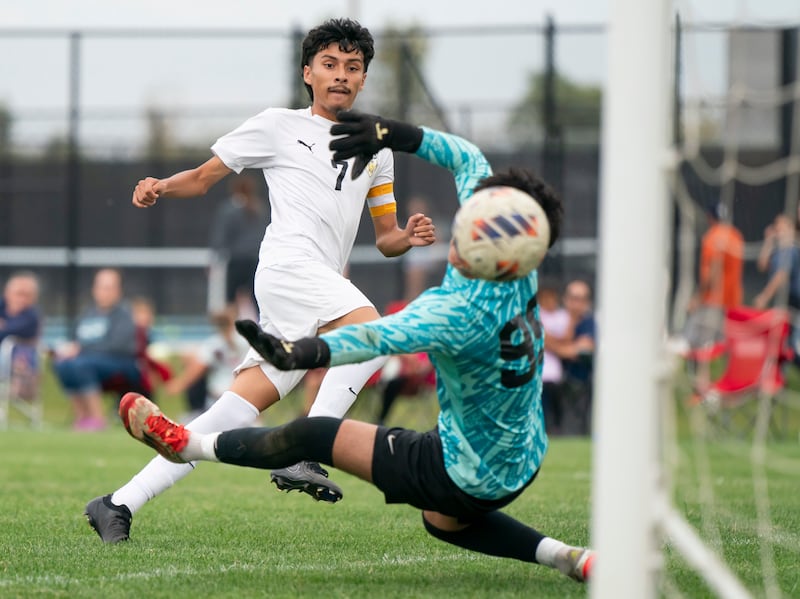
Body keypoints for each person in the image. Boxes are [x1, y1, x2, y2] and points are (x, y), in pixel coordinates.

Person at [116, 114, 594, 583]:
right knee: (438, 517)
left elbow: (373, 336)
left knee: (309, 433)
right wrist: (391, 133)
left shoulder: (455, 309)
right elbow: (467, 157)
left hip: (456, 466)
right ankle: (566, 557)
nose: (466, 219)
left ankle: (184, 447)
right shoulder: (517, 263)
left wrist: (299, 354)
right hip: (525, 457)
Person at [84, 18, 436, 543]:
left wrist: (406, 235)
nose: (341, 75)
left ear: (363, 80)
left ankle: (117, 503)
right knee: (373, 331)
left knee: (227, 414)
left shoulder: (378, 148)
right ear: (308, 73)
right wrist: (160, 184)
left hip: (313, 285)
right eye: (330, 64)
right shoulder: (277, 125)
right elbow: (204, 177)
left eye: (353, 67)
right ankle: (311, 451)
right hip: (287, 267)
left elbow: (384, 236)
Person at [52, 268, 140, 431]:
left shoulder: (124, 314)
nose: (104, 292)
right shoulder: (87, 314)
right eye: (101, 287)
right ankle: (82, 417)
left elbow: (120, 345)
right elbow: (74, 340)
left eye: (109, 288)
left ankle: (98, 418)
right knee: (62, 364)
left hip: (120, 363)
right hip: (86, 360)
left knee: (81, 364)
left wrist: (82, 349)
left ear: (118, 290)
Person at [164, 307, 251, 422]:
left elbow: (197, 369)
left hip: (219, 398)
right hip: (243, 398)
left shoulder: (214, 344)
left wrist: (178, 385)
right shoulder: (246, 340)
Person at [684, 202, 744, 350]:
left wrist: (698, 297)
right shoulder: (736, 236)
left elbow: (714, 270)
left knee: (698, 340)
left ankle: (701, 372)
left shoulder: (712, 237)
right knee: (723, 345)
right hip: (732, 299)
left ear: (710, 217)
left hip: (713, 299)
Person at [209, 172, 269, 320]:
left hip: (237, 261)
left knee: (230, 301)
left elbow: (220, 237)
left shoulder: (229, 209)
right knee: (258, 302)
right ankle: (263, 333)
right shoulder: (260, 208)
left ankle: (231, 334)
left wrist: (214, 260)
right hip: (257, 261)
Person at [548, 280, 596, 436]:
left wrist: (552, 346)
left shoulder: (589, 323)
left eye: (581, 299)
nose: (577, 304)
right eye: (574, 298)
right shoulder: (556, 318)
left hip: (579, 384)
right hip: (552, 384)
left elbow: (581, 349)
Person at [0, 271, 43, 400]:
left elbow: (6, 332)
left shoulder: (31, 317)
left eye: (27, 295)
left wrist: (5, 326)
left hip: (15, 361)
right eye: (18, 294)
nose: (22, 299)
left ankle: (22, 388)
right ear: (7, 293)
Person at [538, 282, 569, 435]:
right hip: (540, 372)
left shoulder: (562, 316)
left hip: (556, 373)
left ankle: (557, 430)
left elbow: (567, 337)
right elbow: (544, 339)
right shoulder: (537, 315)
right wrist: (564, 349)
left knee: (557, 407)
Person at [753, 212, 800, 310]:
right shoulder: (778, 250)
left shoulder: (791, 249)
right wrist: (768, 242)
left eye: (781, 227)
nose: (778, 230)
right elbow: (762, 266)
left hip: (792, 303)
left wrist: (764, 297)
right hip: (782, 301)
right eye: (777, 227)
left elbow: (781, 275)